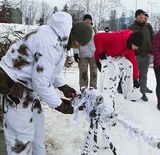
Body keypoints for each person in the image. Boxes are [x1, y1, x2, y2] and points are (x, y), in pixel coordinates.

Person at [0, 12, 92, 154]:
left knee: (37, 131)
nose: (76, 47)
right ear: (75, 38)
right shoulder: (50, 44)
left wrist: (63, 86)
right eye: (78, 44)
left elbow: (48, 68)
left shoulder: (59, 37)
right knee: (21, 138)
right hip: (15, 89)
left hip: (28, 88)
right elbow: (41, 83)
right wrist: (59, 105)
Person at [94, 29, 143, 106]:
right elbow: (97, 37)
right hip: (101, 58)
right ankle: (105, 100)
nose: (136, 48)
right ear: (132, 41)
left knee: (128, 65)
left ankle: (126, 92)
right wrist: (100, 52)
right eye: (136, 46)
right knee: (108, 79)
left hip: (113, 59)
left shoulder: (129, 50)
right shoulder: (117, 37)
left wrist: (135, 78)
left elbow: (133, 63)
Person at [128, 9, 153, 102]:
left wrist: (151, 51)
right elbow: (128, 42)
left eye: (143, 15)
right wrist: (132, 54)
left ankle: (143, 93)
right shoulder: (131, 27)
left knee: (144, 75)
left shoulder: (148, 26)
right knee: (133, 75)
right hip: (135, 55)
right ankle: (133, 93)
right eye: (139, 15)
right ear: (136, 17)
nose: (142, 16)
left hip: (146, 55)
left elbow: (152, 38)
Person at [73, 14, 97, 90]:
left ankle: (93, 90)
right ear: (83, 21)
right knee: (83, 74)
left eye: (89, 20)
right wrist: (76, 53)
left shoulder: (95, 30)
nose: (87, 21)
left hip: (93, 55)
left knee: (94, 73)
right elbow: (76, 42)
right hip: (83, 55)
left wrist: (100, 52)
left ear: (91, 21)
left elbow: (98, 42)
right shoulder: (79, 30)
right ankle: (84, 90)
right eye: (86, 20)